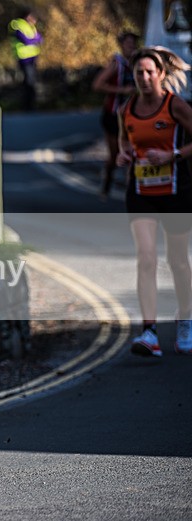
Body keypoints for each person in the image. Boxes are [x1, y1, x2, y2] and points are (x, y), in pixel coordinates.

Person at [116, 46, 192, 357]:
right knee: (146, 258)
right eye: (138, 73)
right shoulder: (127, 109)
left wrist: (172, 155)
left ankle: (186, 319)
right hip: (141, 191)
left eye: (149, 72)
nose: (144, 78)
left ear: (161, 74)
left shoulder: (176, 106)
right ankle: (149, 331)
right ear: (133, 77)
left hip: (175, 191)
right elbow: (125, 139)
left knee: (177, 261)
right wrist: (123, 153)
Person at [92, 31, 139, 200]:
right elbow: (97, 85)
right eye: (128, 44)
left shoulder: (139, 64)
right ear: (121, 45)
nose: (131, 47)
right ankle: (106, 184)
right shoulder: (116, 64)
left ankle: (131, 193)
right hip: (113, 115)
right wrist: (121, 90)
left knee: (133, 154)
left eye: (133, 44)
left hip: (133, 116)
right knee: (114, 156)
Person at [9, 8, 42, 111]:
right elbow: (26, 40)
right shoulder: (17, 24)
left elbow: (40, 39)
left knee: (31, 82)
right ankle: (27, 106)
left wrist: (34, 40)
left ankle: (31, 104)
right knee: (28, 81)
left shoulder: (30, 26)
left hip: (32, 58)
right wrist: (34, 40)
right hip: (24, 58)